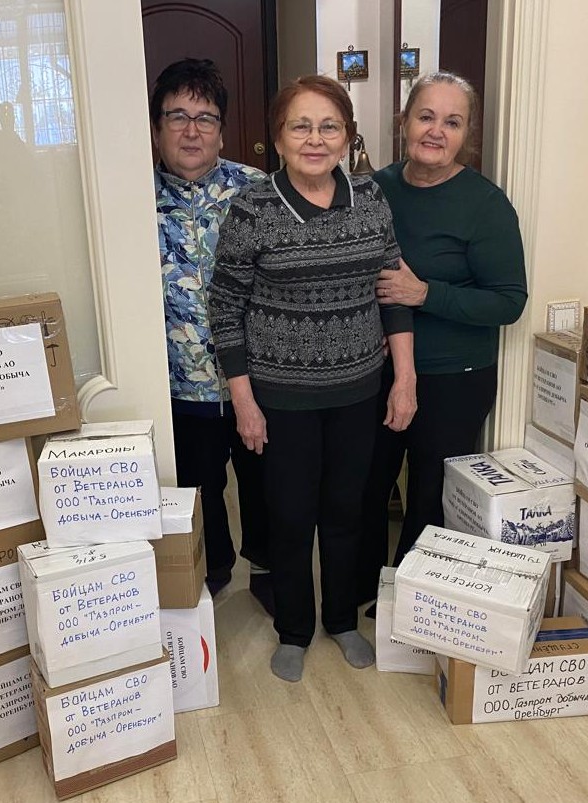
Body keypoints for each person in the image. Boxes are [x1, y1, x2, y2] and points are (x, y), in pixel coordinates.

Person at [208, 75, 417, 682]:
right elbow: (225, 308)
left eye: (329, 126)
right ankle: (295, 630)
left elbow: (392, 291)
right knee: (291, 516)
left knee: (349, 510)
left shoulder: (370, 198)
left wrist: (403, 379)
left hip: (359, 390)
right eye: (300, 126)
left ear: (348, 136)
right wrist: (244, 401)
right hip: (281, 399)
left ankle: (343, 620)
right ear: (278, 138)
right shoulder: (252, 208)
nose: (315, 139)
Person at [358, 71, 528, 610]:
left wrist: (425, 293)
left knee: (429, 496)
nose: (436, 131)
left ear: (466, 136)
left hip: (455, 377)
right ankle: (360, 594)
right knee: (364, 485)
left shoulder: (485, 205)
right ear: (403, 122)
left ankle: (407, 608)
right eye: (426, 116)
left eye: (452, 123)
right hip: (377, 369)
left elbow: (508, 302)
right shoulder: (375, 189)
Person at [151, 58, 273, 610]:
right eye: (177, 116)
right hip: (180, 383)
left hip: (258, 379)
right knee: (200, 485)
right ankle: (215, 566)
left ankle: (268, 568)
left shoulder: (257, 192)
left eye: (205, 118)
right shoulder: (131, 201)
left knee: (265, 482)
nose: (192, 130)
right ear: (157, 128)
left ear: (222, 130)